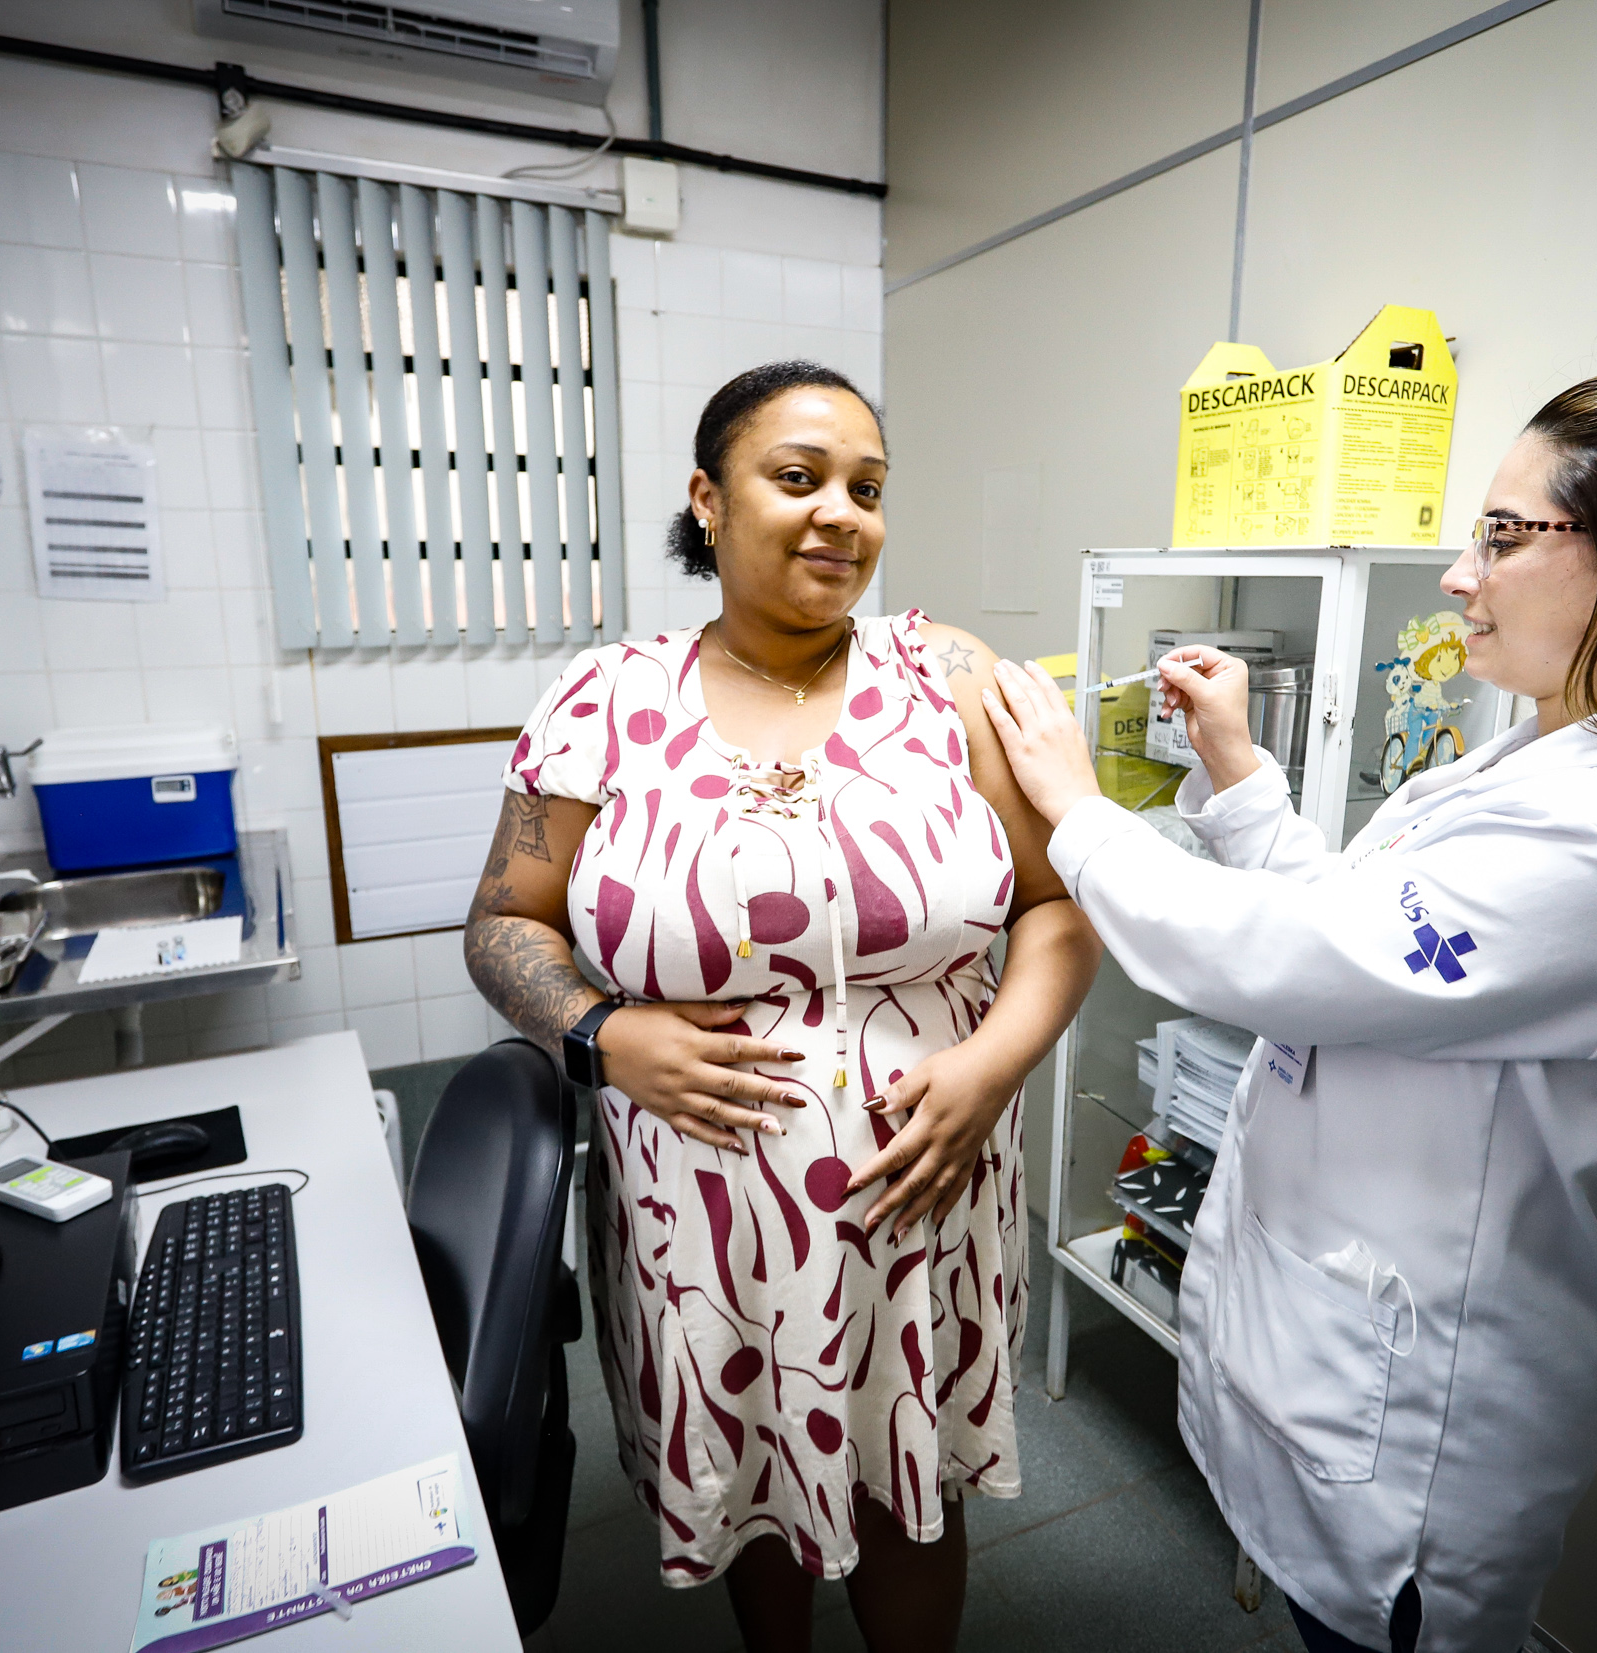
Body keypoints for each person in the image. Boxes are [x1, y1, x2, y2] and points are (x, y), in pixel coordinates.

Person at [980, 358, 1597, 1653]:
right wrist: (1237, 769)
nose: (1457, 575)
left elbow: (1270, 957)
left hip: (1416, 1433)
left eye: (1502, 535)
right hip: (1344, 1356)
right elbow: (1361, 932)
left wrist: (1076, 807)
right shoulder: (1547, 763)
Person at [465, 361, 1099, 1653]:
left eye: (868, 488)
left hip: (923, 1188)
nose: (841, 514)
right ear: (709, 499)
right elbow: (501, 923)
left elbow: (1060, 905)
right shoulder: (604, 702)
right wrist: (600, 1032)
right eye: (799, 478)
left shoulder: (950, 680)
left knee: (907, 1485)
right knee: (751, 1472)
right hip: (700, 1215)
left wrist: (994, 1065)